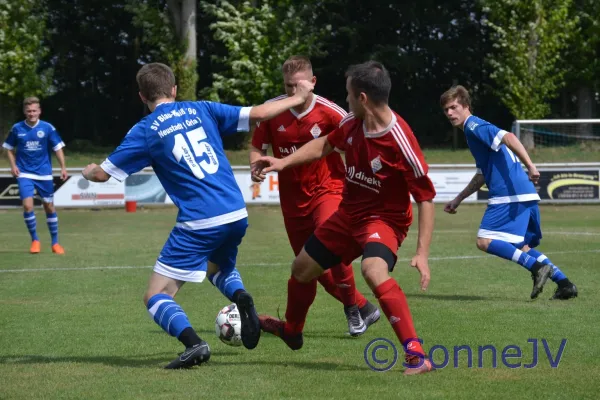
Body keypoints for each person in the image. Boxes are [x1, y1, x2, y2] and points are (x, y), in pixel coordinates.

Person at [81, 62, 315, 369]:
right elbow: (257, 113)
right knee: (217, 267)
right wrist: (298, 99)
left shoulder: (146, 130)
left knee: (156, 295)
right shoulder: (201, 108)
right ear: (174, 89)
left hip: (199, 220)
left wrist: (87, 170)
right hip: (235, 211)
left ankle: (195, 345)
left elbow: (102, 175)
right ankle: (241, 295)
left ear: (142, 96)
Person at [254, 61, 436, 375]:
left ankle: (416, 355)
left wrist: (422, 253)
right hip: (348, 214)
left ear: (362, 97)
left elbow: (425, 197)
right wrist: (283, 163)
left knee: (372, 270)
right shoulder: (353, 122)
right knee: (301, 269)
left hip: (384, 220)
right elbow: (325, 144)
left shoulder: (400, 139)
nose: (346, 99)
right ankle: (292, 331)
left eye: (349, 94)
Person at [249, 56, 380, 336]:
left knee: (329, 244)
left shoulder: (330, 112)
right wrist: (255, 164)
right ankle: (359, 309)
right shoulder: (272, 110)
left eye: (298, 87)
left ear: (313, 83)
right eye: (287, 87)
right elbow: (257, 147)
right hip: (292, 200)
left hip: (328, 189)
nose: (292, 93)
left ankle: (352, 312)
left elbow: (360, 140)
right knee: (307, 268)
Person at [440, 85, 578, 300]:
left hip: (510, 195)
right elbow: (482, 176)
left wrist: (531, 165)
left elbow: (510, 137)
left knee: (484, 241)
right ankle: (565, 284)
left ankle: (536, 268)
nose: (449, 113)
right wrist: (458, 199)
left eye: (453, 107)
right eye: (446, 109)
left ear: (465, 106)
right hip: (525, 195)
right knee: (521, 247)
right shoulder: (474, 134)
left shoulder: (474, 125)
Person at [2, 97, 68, 254]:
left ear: (39, 111)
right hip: (24, 173)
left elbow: (57, 148)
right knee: (27, 205)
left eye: (34, 111)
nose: (31, 113)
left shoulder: (47, 128)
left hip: (44, 174)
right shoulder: (17, 128)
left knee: (49, 207)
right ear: (24, 111)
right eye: (28, 111)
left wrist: (63, 167)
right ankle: (35, 240)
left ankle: (55, 243)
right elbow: (8, 148)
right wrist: (13, 166)